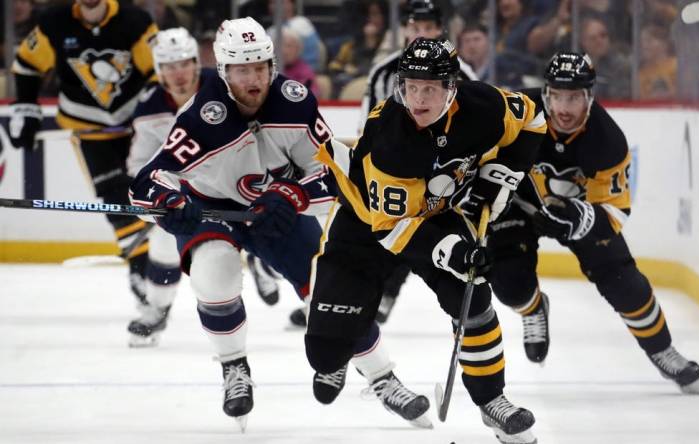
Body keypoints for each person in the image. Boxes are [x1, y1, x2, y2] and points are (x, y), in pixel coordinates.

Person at [128, 17, 430, 430]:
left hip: (276, 209)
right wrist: (169, 200)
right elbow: (144, 184)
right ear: (223, 70)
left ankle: (382, 378)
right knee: (214, 273)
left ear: (272, 65)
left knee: (333, 291)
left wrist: (294, 194)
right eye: (241, 69)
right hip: (213, 209)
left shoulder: (294, 101)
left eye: (260, 67)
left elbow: (336, 173)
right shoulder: (201, 117)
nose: (253, 79)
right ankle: (234, 367)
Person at [306, 37, 547, 443]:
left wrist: (500, 177)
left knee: (473, 296)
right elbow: (392, 229)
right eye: (411, 87)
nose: (417, 99)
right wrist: (454, 251)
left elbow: (533, 120)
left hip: (435, 213)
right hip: (365, 224)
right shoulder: (391, 138)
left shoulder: (482, 106)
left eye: (429, 89)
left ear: (451, 88)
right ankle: (351, 351)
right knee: (325, 353)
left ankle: (492, 401)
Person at [493, 52, 699, 394]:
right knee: (509, 284)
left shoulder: (607, 140)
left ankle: (662, 350)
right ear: (545, 92)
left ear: (589, 97)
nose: (564, 107)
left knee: (624, 281)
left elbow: (616, 212)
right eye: (557, 95)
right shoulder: (518, 113)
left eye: (574, 97)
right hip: (518, 206)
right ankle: (534, 309)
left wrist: (577, 218)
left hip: (578, 214)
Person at [124, 27, 281, 347]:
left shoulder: (224, 86)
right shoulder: (147, 108)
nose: (177, 73)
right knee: (165, 244)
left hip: (241, 182)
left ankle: (262, 263)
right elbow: (139, 167)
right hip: (185, 195)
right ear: (158, 70)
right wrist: (166, 196)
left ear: (197, 62)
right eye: (168, 66)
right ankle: (157, 308)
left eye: (183, 63)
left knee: (275, 226)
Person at [9, 0, 158, 321]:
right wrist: (26, 109)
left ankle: (148, 264)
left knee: (143, 193)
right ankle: (139, 268)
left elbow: (159, 72)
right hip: (86, 126)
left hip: (136, 124)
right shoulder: (54, 22)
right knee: (112, 195)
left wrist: (156, 113)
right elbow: (26, 64)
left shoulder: (135, 21)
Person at [337, 0, 476, 326]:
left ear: (441, 30)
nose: (422, 34)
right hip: (396, 171)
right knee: (379, 222)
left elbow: (477, 133)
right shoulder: (383, 71)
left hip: (446, 177)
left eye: (429, 28)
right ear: (405, 29)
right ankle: (350, 294)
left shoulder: (461, 74)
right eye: (416, 27)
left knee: (439, 240)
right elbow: (366, 132)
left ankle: (456, 309)